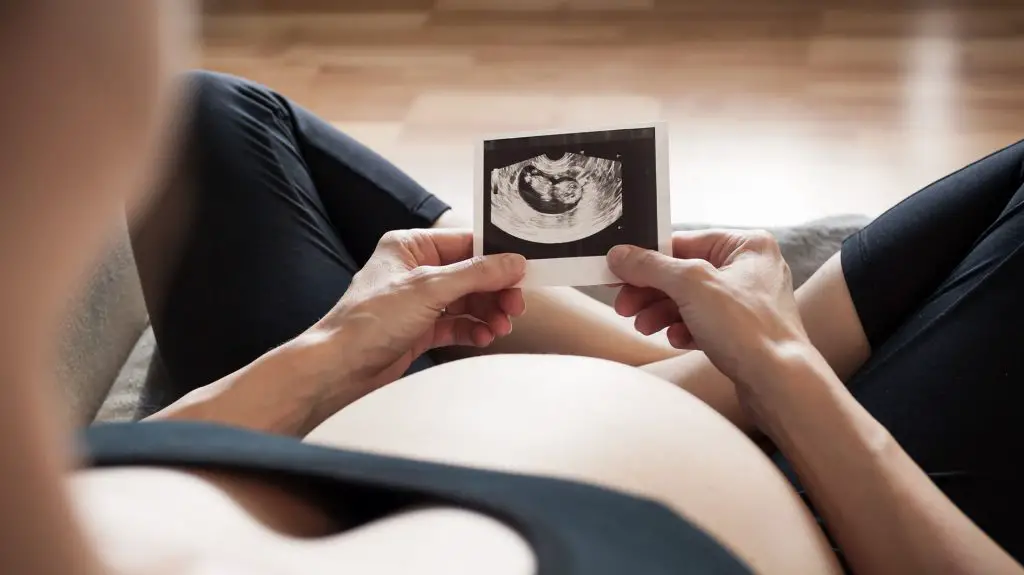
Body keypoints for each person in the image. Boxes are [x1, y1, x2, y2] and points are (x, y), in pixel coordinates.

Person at [1, 2, 1022, 574]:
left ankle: (684, 378)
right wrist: (784, 373)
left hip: (331, 407)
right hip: (829, 492)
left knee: (212, 119)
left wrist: (328, 355)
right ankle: (707, 384)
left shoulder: (56, 492)